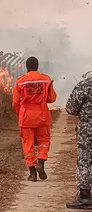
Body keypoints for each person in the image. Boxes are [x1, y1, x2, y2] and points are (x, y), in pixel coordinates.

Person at [12, 56, 57, 182]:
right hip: (42, 115)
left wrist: (19, 114)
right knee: (44, 140)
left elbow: (15, 102)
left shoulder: (20, 81)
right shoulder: (46, 79)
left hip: (26, 115)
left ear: (26, 67)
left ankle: (32, 173)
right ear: (38, 66)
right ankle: (41, 162)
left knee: (28, 144)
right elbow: (52, 98)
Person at [65, 67, 92, 209]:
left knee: (85, 160)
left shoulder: (83, 86)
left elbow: (71, 108)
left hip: (87, 132)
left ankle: (85, 197)